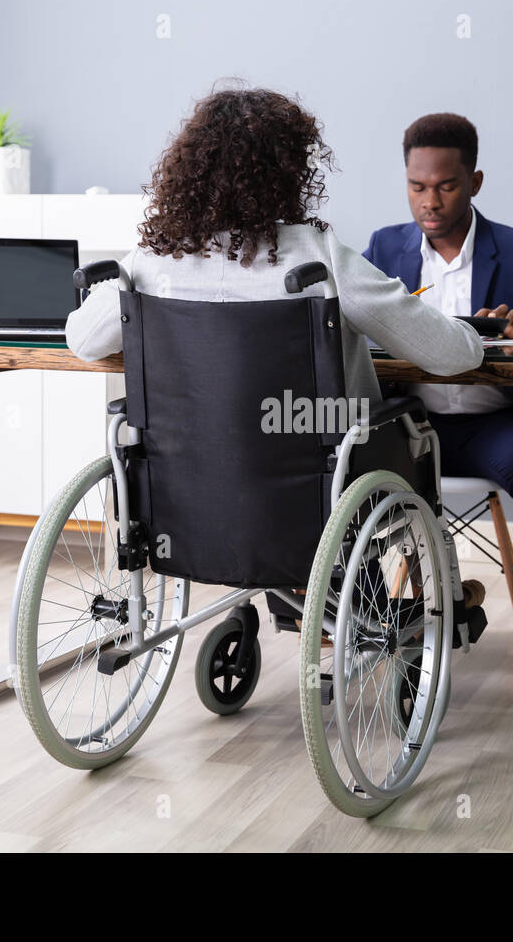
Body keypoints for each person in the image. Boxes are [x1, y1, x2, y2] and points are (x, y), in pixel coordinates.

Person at [65, 87, 489, 607]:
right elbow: (451, 355)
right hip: (311, 486)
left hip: (185, 489)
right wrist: (475, 334)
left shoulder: (152, 263)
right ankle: (379, 601)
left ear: (189, 170)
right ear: (289, 172)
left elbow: (82, 340)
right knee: (395, 423)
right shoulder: (316, 261)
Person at [363, 112, 513, 645]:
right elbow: (354, 329)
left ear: (474, 183)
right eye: (416, 187)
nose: (429, 201)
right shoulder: (384, 251)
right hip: (411, 429)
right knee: (339, 459)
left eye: (445, 186)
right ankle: (365, 612)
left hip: (495, 427)